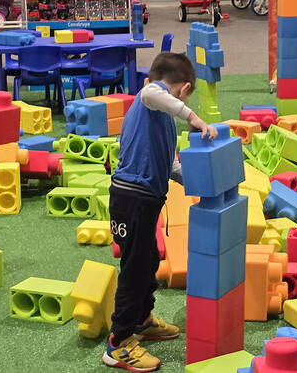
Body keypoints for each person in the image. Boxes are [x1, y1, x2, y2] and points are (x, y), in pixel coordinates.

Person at [103, 52, 217, 372]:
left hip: (147, 199)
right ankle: (119, 343)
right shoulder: (150, 97)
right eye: (185, 99)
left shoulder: (162, 118)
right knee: (134, 269)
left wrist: (200, 180)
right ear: (184, 89)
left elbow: (169, 164)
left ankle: (141, 320)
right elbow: (153, 91)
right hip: (131, 198)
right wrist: (193, 118)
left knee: (149, 260)